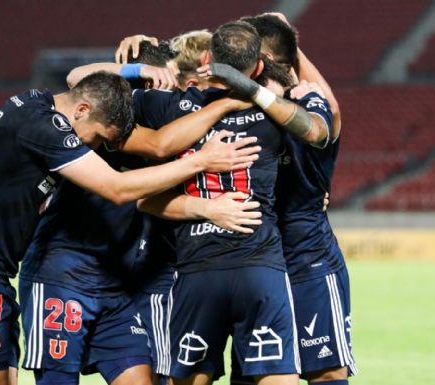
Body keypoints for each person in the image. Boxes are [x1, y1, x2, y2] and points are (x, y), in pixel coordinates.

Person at [0, 71, 259, 385]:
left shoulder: (39, 102)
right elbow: (117, 188)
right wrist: (200, 161)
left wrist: (135, 69)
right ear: (82, 110)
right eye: (97, 137)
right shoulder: (43, 127)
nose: (94, 147)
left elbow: (88, 83)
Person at [135, 21, 325, 385]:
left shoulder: (171, 106)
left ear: (207, 58)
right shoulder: (275, 115)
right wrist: (256, 91)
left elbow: (82, 80)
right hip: (260, 268)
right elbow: (316, 131)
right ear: (256, 67)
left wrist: (136, 68)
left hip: (196, 270)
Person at [221, 14, 356, 385]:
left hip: (307, 261)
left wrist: (292, 50)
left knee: (326, 372)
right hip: (257, 265)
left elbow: (328, 107)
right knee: (252, 375)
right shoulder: (237, 110)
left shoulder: (312, 109)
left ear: (261, 61)